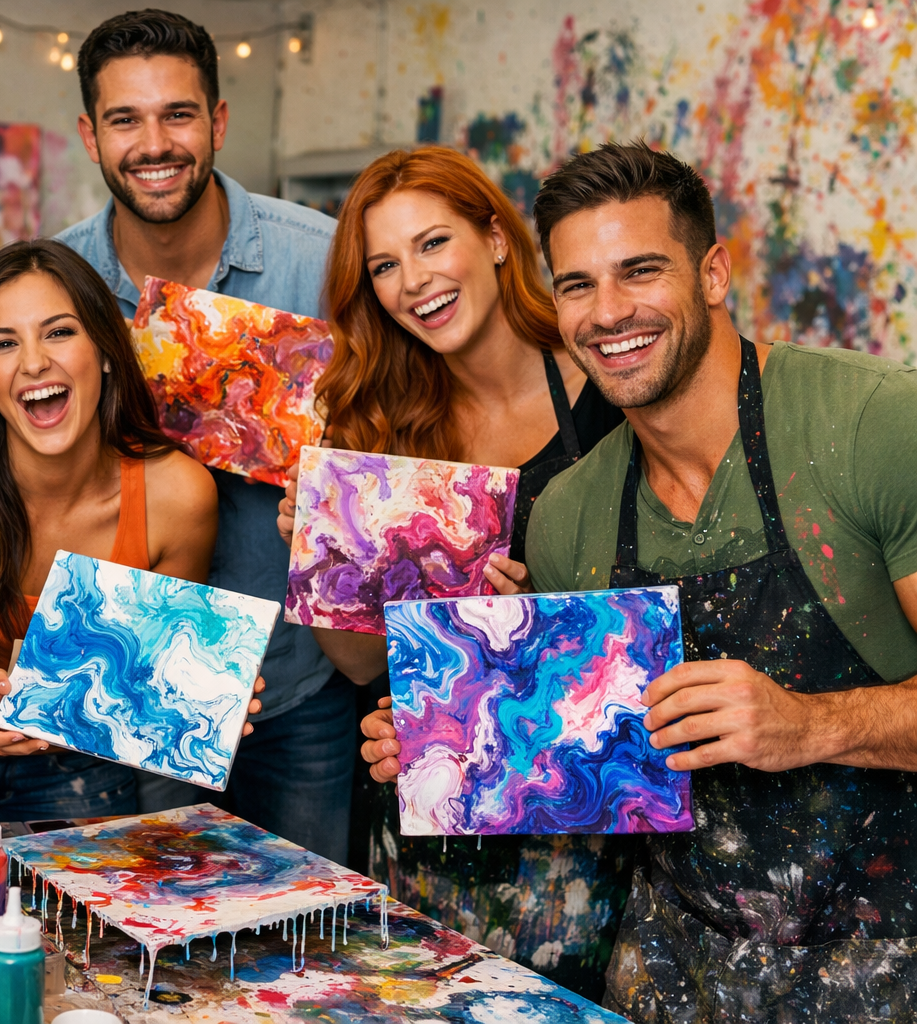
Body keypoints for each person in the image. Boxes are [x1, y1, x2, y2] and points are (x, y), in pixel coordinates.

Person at [375, 140, 917, 1021]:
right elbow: (578, 769)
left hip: (888, 955)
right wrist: (455, 740)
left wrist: (809, 725)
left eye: (640, 271)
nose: (609, 311)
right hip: (674, 966)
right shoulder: (570, 513)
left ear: (712, 273)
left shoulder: (873, 424)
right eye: (579, 284)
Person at [282, 146, 629, 999]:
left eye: (434, 243)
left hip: (575, 817)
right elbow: (362, 666)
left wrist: (532, 628)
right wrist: (323, 557)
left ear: (497, 238)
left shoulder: (614, 382)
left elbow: (657, 613)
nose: (415, 281)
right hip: (425, 810)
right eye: (386, 265)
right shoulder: (379, 424)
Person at [56, 8, 349, 860]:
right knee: (133, 954)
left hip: (297, 690)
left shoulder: (322, 263)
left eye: (178, 114)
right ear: (90, 135)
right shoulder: (57, 283)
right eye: (125, 119)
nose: (155, 143)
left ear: (217, 121)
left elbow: (399, 433)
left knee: (306, 949)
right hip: (127, 686)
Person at [0, 239, 230, 823]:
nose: (33, 363)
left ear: (106, 352)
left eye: (59, 332)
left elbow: (147, 687)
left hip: (80, 766)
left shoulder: (177, 497)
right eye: (3, 344)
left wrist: (201, 693)